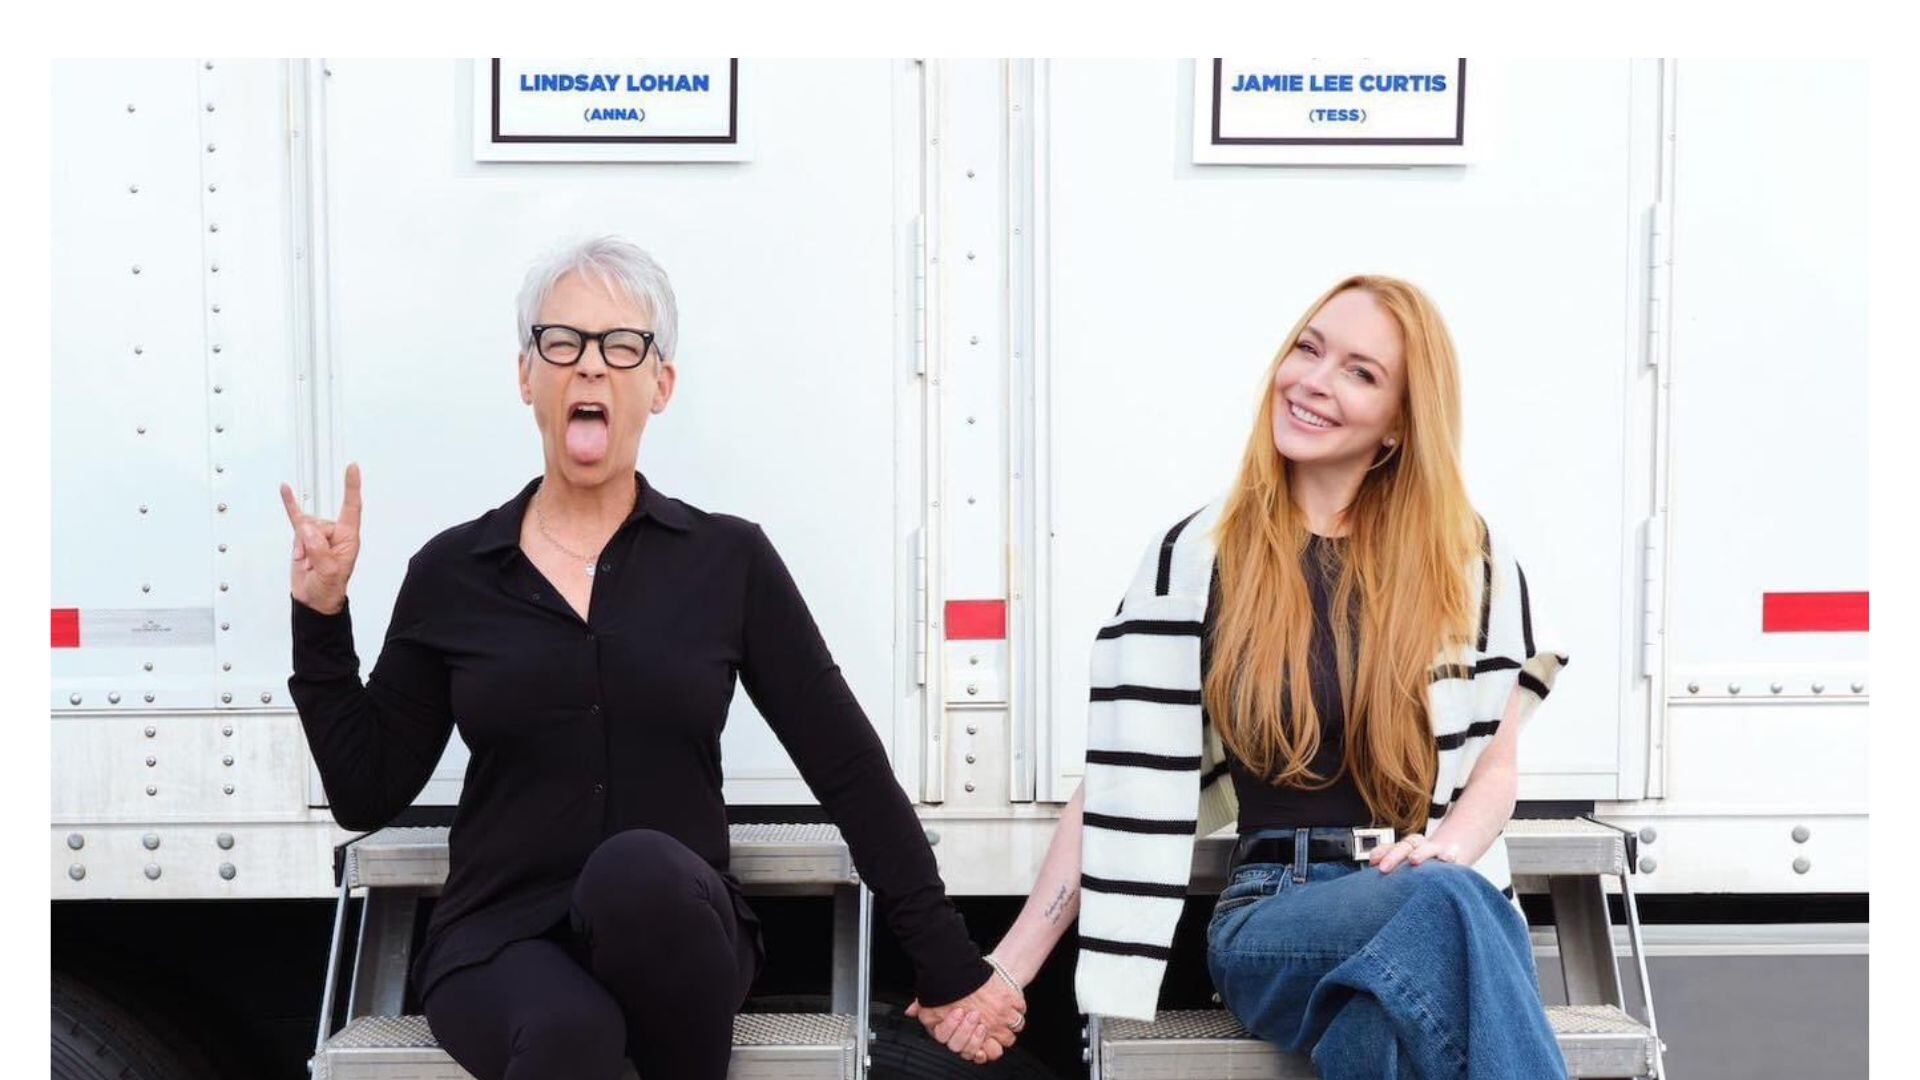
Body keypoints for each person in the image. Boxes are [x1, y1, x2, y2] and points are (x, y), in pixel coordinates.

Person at [279, 236, 1022, 1079]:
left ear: (660, 384)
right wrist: (321, 616)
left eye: (622, 345)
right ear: (526, 376)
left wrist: (947, 962)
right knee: (571, 1032)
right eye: (562, 341)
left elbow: (845, 764)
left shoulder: (728, 561)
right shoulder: (454, 572)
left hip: (675, 928)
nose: (591, 365)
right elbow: (366, 790)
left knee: (635, 871)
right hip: (498, 939)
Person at [915, 275, 1572, 1077]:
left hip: (1424, 892)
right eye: (1308, 349)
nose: (1314, 381)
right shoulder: (1198, 559)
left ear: (1402, 423)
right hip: (1274, 911)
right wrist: (1009, 969)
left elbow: (1494, 768)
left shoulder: (1466, 562)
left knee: (1381, 1015)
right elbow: (1123, 780)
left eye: (1360, 372)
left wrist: (1446, 852)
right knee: (1447, 906)